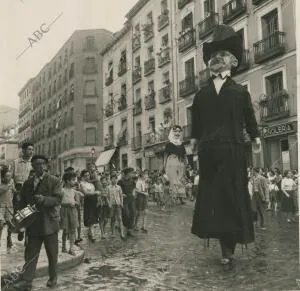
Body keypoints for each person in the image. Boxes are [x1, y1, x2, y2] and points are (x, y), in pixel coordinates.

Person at [190, 25, 261, 265]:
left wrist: (257, 136)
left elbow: (249, 118)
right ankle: (223, 245)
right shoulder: (201, 94)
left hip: (232, 149)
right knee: (214, 198)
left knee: (231, 197)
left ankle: (228, 248)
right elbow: (197, 122)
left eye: (221, 56)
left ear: (231, 61)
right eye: (213, 56)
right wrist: (193, 141)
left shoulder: (240, 92)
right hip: (209, 151)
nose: (216, 59)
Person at [13, 155, 63, 290]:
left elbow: (58, 199)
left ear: (46, 165)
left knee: (52, 253)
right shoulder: (27, 184)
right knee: (30, 253)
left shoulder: (54, 181)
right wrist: (20, 225)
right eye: (36, 165)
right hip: (33, 224)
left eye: (41, 164)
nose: (39, 167)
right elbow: (22, 205)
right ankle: (27, 281)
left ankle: (53, 278)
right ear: (33, 167)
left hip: (49, 223)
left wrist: (44, 199)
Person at [164, 125, 188, 205]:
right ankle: (173, 198)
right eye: (176, 131)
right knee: (172, 181)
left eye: (179, 131)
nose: (177, 133)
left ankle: (181, 198)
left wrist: (186, 163)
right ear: (172, 132)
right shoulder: (169, 144)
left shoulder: (181, 144)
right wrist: (164, 166)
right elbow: (165, 155)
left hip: (180, 163)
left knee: (180, 180)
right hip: (171, 163)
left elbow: (184, 155)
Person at [60, 172, 82, 255]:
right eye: (73, 180)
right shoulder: (62, 191)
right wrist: (67, 204)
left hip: (73, 211)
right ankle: (63, 247)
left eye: (75, 180)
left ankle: (71, 248)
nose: (74, 182)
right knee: (65, 230)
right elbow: (59, 202)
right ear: (67, 181)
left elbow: (77, 201)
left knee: (73, 230)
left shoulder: (74, 191)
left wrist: (76, 202)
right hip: (64, 211)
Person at [79, 170, 99, 242]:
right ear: (82, 177)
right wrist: (95, 192)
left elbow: (94, 191)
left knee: (93, 217)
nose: (87, 177)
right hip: (88, 201)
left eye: (88, 175)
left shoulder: (91, 184)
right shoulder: (82, 184)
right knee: (90, 217)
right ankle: (92, 234)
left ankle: (90, 233)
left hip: (93, 201)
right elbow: (86, 193)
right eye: (85, 175)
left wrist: (95, 193)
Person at [118, 167, 136, 237]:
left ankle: (129, 230)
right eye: (131, 172)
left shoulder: (132, 181)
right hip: (124, 200)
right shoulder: (120, 181)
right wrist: (121, 194)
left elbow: (134, 189)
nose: (132, 174)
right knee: (126, 213)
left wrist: (134, 193)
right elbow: (118, 190)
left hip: (131, 199)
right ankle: (125, 226)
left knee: (133, 213)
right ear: (127, 173)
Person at [0, 167, 14, 250]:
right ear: (2, 177)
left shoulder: (12, 182)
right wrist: (7, 187)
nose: (9, 178)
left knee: (10, 224)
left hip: (9, 205)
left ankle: (9, 238)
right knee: (0, 224)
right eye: (7, 176)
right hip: (0, 206)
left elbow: (14, 191)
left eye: (10, 176)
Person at [108, 173, 125, 239]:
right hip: (112, 205)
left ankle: (122, 233)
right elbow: (107, 196)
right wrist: (109, 203)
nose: (114, 180)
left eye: (115, 179)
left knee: (120, 218)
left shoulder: (119, 187)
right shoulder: (108, 187)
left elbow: (121, 195)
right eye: (113, 179)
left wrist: (122, 203)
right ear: (110, 180)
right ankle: (113, 233)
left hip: (118, 204)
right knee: (112, 219)